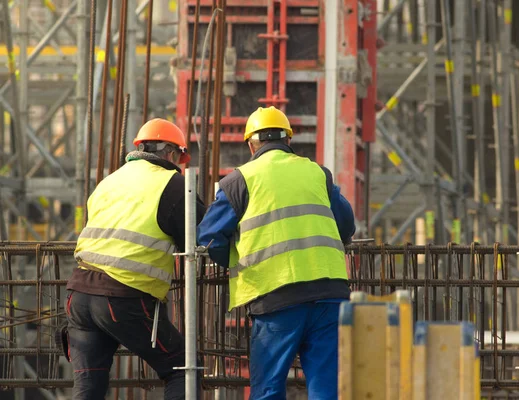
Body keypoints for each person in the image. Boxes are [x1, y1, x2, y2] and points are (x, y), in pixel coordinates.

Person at [197, 106, 355, 399]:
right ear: (288, 140)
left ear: (251, 144)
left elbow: (208, 238)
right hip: (330, 293)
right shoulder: (318, 173)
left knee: (268, 388)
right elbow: (347, 224)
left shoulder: (239, 181)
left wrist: (232, 260)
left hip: (274, 296)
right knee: (326, 387)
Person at [65, 118, 206, 400]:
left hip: (78, 295)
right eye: (179, 156)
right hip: (123, 297)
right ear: (169, 152)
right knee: (182, 369)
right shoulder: (174, 185)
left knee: (89, 387)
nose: (180, 163)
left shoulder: (110, 181)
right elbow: (202, 234)